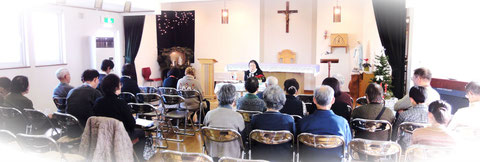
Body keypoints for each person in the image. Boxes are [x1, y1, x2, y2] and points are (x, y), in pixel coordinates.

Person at [93, 74, 145, 160]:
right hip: (119, 136)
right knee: (141, 133)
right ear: (116, 87)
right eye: (120, 84)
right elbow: (131, 124)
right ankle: (138, 159)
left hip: (103, 135)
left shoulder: (98, 102)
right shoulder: (121, 103)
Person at [298, 85, 352, 162]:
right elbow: (347, 146)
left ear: (314, 100)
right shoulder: (342, 123)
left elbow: (299, 146)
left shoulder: (303, 122)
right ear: (333, 100)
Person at [250, 85, 295, 162]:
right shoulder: (289, 120)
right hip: (283, 157)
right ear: (282, 101)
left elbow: (252, 141)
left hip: (259, 157)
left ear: (264, 100)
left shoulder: (255, 118)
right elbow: (293, 141)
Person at [203, 84, 245, 160]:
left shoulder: (209, 114)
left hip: (212, 153)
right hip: (232, 154)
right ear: (233, 100)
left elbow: (205, 130)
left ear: (219, 98)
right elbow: (242, 137)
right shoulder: (238, 116)